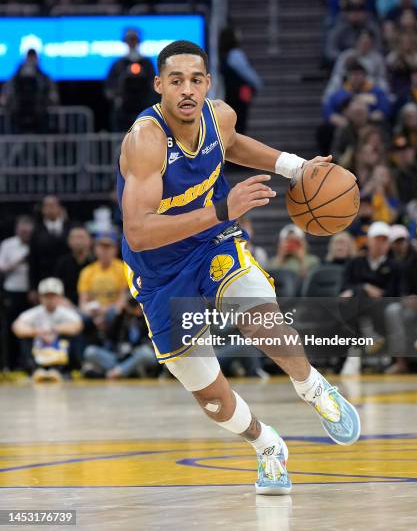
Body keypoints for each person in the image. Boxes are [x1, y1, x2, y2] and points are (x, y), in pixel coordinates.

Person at [117, 40, 361, 495]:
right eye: (176, 81)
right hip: (159, 268)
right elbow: (138, 233)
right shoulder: (145, 142)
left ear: (207, 83)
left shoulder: (219, 116)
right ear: (159, 86)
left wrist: (296, 166)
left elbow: (232, 144)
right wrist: (223, 208)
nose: (187, 89)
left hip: (212, 243)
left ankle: (313, 388)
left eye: (195, 79)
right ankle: (268, 447)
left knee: (256, 313)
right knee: (210, 397)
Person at [340, 221, 401, 374]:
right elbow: (344, 286)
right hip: (359, 306)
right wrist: (365, 288)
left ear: (389, 244)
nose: (380, 244)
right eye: (377, 239)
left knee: (353, 300)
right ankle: (366, 338)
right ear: (368, 240)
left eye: (384, 240)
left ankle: (355, 351)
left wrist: (360, 291)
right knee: (351, 299)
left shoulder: (395, 266)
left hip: (381, 307)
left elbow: (394, 293)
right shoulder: (355, 262)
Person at [12, 277, 82, 381]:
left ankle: (60, 370)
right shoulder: (35, 312)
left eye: (53, 296)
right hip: (39, 347)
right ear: (40, 297)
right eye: (46, 296)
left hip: (59, 349)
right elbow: (17, 326)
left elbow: (77, 326)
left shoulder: (66, 312)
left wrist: (54, 331)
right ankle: (35, 370)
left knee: (71, 338)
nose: (50, 300)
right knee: (24, 339)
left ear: (60, 297)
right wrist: (37, 332)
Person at [82, 295, 158, 379]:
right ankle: (125, 371)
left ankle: (118, 371)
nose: (133, 306)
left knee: (146, 353)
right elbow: (110, 337)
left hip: (137, 356)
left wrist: (141, 313)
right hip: (119, 357)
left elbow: (150, 341)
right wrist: (118, 314)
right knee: (90, 351)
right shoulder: (121, 317)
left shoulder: (147, 318)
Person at [384, 225, 417, 373]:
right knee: (392, 310)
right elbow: (398, 292)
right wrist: (406, 300)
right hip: (411, 308)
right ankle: (401, 362)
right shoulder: (405, 264)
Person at [105, 28, 156, 132]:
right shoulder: (118, 64)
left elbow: (154, 84)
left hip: (144, 106)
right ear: (126, 41)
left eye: (134, 39)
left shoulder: (147, 63)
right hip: (124, 109)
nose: (132, 42)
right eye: (130, 39)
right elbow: (109, 87)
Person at [0, 216, 34, 369]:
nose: (25, 231)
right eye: (22, 227)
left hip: (31, 294)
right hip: (12, 292)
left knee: (31, 329)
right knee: (10, 329)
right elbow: (2, 268)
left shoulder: (35, 244)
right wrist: (21, 260)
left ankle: (30, 365)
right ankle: (10, 365)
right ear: (17, 228)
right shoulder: (8, 244)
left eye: (28, 228)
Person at [0, 49, 59, 134]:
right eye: (30, 57)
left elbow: (54, 97)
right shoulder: (15, 78)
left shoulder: (44, 78)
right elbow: (4, 98)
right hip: (17, 117)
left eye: (33, 57)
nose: (31, 60)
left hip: (39, 118)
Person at [77, 231, 127, 332]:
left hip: (113, 312)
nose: (104, 251)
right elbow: (82, 302)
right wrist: (93, 313)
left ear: (115, 249)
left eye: (108, 247)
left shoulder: (123, 269)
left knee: (115, 314)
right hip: (93, 313)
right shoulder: (87, 271)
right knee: (80, 317)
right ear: (95, 249)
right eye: (101, 247)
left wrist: (105, 311)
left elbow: (123, 299)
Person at [219, 27, 263, 135]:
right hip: (238, 95)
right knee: (239, 124)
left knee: (234, 124)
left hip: (230, 94)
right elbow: (246, 72)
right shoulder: (235, 54)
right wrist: (258, 83)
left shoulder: (223, 55)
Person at [28, 195, 72, 299]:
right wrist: (33, 288)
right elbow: (32, 260)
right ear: (42, 210)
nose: (50, 209)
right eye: (47, 206)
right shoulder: (36, 231)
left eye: (53, 205)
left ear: (60, 208)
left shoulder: (71, 227)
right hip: (44, 278)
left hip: (68, 278)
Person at [54, 226, 94, 306]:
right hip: (67, 304)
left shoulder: (96, 262)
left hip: (92, 304)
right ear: (68, 241)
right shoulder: (62, 262)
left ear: (90, 241)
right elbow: (56, 286)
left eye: (81, 237)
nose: (78, 241)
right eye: (74, 238)